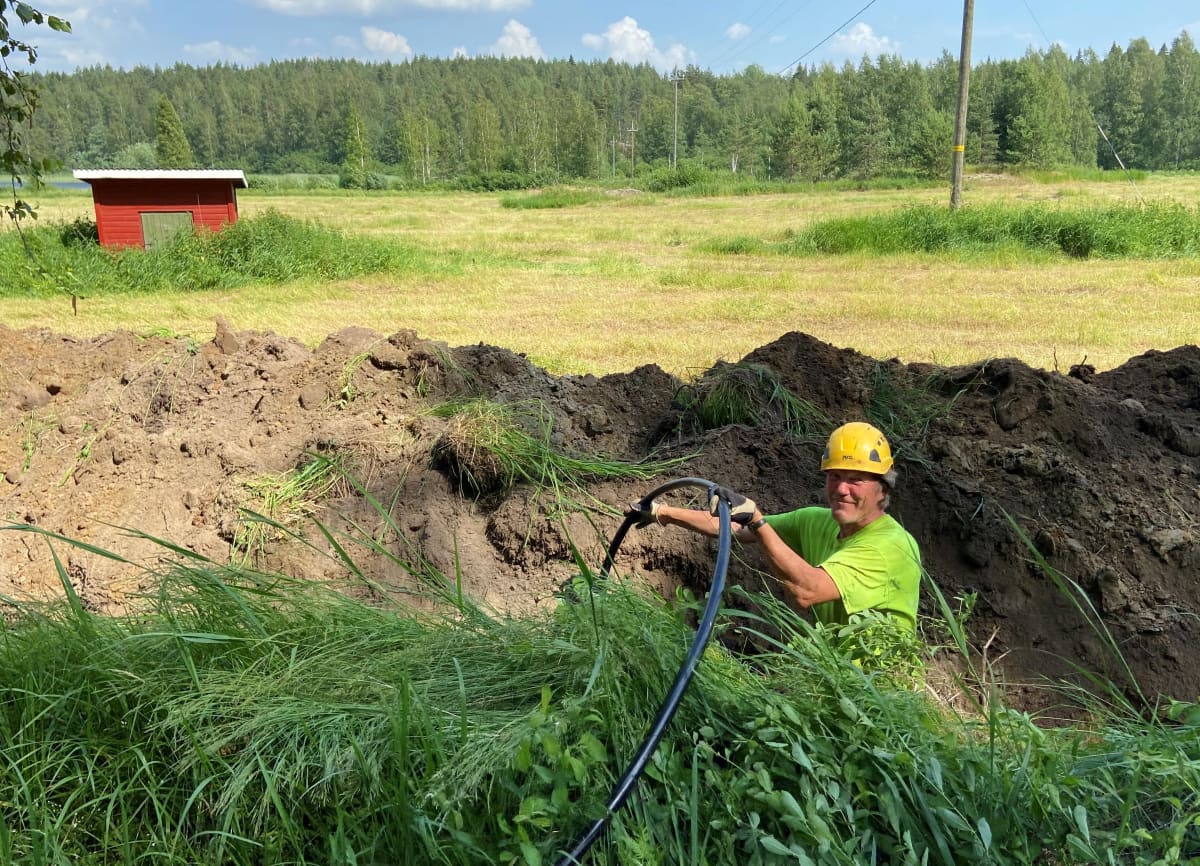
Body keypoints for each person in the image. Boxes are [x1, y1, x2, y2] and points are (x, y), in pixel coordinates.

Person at [629, 421, 921, 632]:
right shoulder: (817, 521)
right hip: (838, 684)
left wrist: (757, 519)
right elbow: (735, 527)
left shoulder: (891, 547)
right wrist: (660, 512)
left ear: (882, 489)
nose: (842, 489)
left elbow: (809, 590)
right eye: (835, 476)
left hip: (881, 696)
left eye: (856, 479)